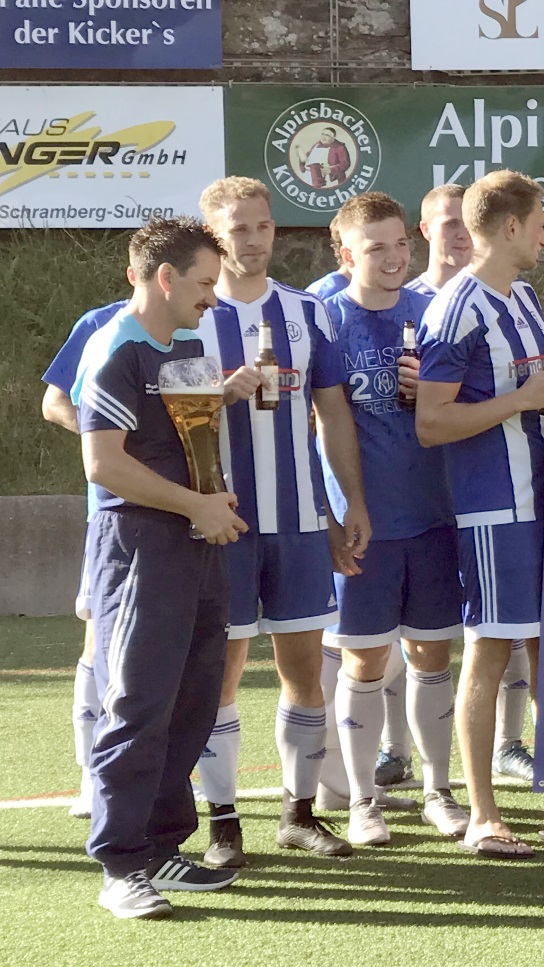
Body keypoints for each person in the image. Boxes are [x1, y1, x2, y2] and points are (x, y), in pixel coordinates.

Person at [416, 169, 544, 858]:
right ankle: (483, 816)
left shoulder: (523, 297)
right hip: (493, 509)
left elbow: (535, 394)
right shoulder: (454, 308)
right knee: (489, 652)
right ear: (508, 228)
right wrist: (523, 401)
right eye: (540, 223)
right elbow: (431, 423)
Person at [76, 216, 255, 917]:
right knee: (140, 701)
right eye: (206, 284)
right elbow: (104, 463)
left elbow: (195, 443)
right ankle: (120, 865)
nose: (214, 298)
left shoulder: (187, 343)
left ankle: (161, 848)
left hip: (196, 539)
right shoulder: (116, 348)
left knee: (193, 697)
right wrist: (193, 505)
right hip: (138, 544)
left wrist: (213, 502)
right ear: (164, 277)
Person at [193, 177, 370, 865]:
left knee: (303, 669)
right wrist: (218, 392)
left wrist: (346, 504)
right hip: (223, 524)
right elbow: (165, 417)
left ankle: (298, 814)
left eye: (263, 226)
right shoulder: (192, 316)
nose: (255, 240)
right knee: (222, 673)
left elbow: (332, 417)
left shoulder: (307, 312)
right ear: (214, 236)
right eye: (239, 229)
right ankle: (224, 821)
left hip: (297, 519)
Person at [318, 191, 471, 844]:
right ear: (347, 254)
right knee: (364, 663)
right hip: (366, 526)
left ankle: (437, 790)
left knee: (433, 654)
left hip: (434, 516)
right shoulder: (324, 321)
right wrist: (337, 509)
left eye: (400, 245)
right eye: (375, 247)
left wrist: (433, 396)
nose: (392, 257)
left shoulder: (434, 313)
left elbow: (468, 406)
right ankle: (361, 803)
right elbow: (320, 422)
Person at [40, 298, 126, 819]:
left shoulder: (206, 316)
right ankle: (91, 774)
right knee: (100, 639)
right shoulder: (99, 322)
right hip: (115, 513)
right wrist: (110, 441)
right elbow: (54, 403)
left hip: (191, 507)